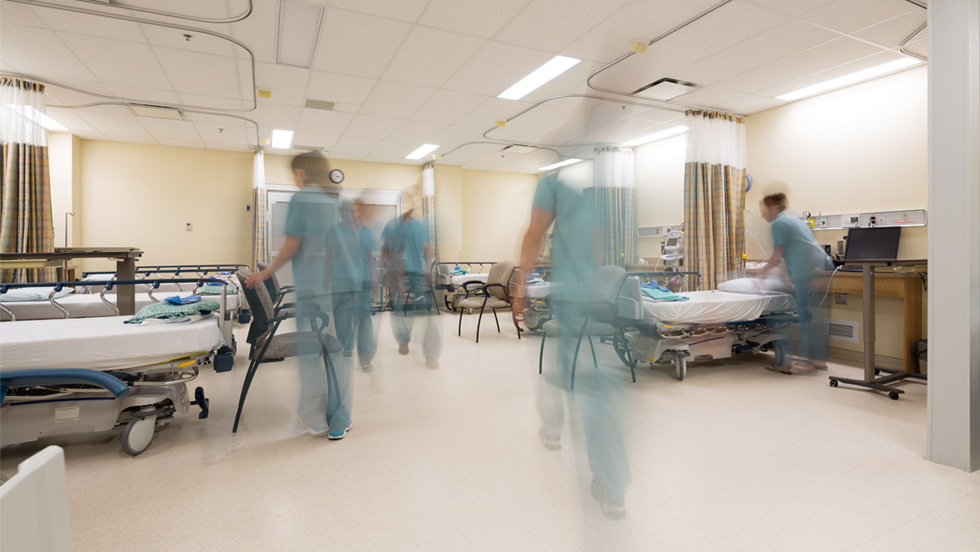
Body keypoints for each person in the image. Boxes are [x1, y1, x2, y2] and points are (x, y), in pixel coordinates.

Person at [513, 168, 631, 520]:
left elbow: (534, 235)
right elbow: (597, 241)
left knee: (561, 370)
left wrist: (520, 286)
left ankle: (551, 430)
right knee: (596, 386)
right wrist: (592, 281)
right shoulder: (601, 183)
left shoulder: (552, 183)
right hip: (591, 298)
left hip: (570, 298)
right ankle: (612, 488)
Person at [244, 152, 353, 440]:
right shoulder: (339, 200)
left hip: (314, 290)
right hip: (343, 289)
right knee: (337, 353)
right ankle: (340, 420)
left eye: (294, 174)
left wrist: (267, 273)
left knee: (311, 353)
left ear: (302, 172)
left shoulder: (303, 199)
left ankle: (314, 420)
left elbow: (292, 246)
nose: (294, 179)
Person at [758, 192, 832, 373]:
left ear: (774, 208)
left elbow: (778, 254)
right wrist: (783, 274)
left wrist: (762, 274)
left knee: (804, 317)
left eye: (764, 210)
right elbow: (795, 249)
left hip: (806, 274)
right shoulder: (795, 221)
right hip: (822, 270)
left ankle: (804, 362)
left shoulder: (780, 223)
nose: (762, 215)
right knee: (814, 317)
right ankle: (818, 360)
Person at [381, 192, 441, 368]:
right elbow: (385, 249)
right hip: (397, 274)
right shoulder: (391, 226)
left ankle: (430, 354)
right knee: (399, 309)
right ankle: (403, 340)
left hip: (416, 274)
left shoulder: (419, 226)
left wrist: (428, 270)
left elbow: (426, 249)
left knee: (425, 311)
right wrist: (385, 270)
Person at [325, 198, 376, 372]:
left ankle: (366, 358)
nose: (350, 214)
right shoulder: (334, 231)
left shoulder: (366, 232)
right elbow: (328, 255)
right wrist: (327, 277)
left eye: (353, 211)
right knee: (342, 319)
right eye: (346, 211)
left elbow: (370, 257)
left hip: (361, 282)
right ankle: (346, 348)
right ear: (342, 213)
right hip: (340, 281)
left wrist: (372, 277)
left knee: (364, 321)